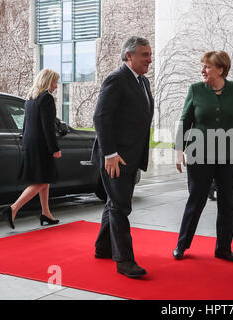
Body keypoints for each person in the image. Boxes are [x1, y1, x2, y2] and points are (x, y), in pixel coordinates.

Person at [173, 50, 233, 262]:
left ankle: (223, 248)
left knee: (227, 203)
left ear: (221, 70)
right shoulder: (195, 90)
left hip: (228, 154)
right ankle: (181, 246)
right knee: (197, 200)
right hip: (199, 153)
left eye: (208, 67)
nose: (203, 70)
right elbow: (185, 121)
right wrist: (178, 151)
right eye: (203, 66)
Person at [91, 36, 154, 279]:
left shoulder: (143, 82)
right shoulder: (116, 79)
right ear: (129, 56)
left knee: (114, 204)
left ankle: (102, 248)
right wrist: (110, 154)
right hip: (115, 157)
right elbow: (101, 118)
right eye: (145, 55)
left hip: (131, 156)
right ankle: (124, 260)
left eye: (149, 54)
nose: (150, 59)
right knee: (120, 206)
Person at [0, 69, 62, 229]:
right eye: (55, 82)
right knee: (44, 179)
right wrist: (55, 148)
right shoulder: (46, 98)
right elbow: (47, 126)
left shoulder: (30, 99)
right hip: (42, 144)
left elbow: (26, 124)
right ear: (48, 81)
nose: (56, 86)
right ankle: (13, 208)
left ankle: (46, 212)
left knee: (43, 178)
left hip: (29, 142)